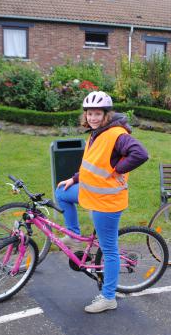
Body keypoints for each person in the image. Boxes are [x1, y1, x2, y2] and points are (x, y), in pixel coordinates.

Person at [55, 91, 148, 313]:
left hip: (107, 201)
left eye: (97, 113)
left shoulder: (116, 134)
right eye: (89, 113)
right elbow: (93, 163)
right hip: (89, 191)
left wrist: (118, 170)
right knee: (61, 193)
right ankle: (72, 233)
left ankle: (108, 297)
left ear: (106, 114)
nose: (93, 117)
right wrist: (74, 178)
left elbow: (140, 154)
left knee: (109, 250)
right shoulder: (96, 133)